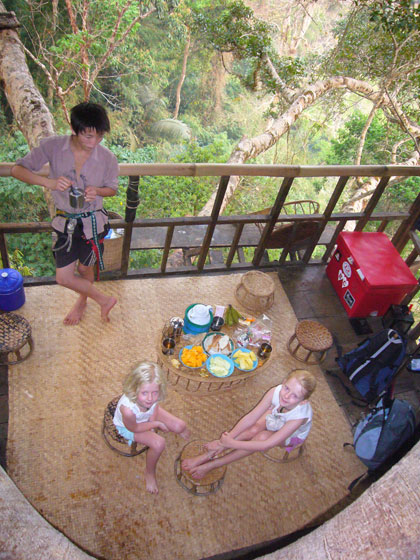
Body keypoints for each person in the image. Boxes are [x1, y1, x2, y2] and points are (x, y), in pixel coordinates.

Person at [11, 102, 119, 325]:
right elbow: (17, 169)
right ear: (74, 129)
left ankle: (83, 300)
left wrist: (97, 191)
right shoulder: (53, 146)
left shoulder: (108, 158)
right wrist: (48, 182)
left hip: (93, 222)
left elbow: (112, 189)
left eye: (99, 136)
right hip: (65, 223)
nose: (94, 142)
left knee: (85, 267)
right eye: (88, 136)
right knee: (63, 276)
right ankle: (103, 299)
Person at [182, 368, 316, 480]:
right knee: (253, 428)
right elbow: (251, 417)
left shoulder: (298, 417)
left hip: (291, 436)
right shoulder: (276, 391)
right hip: (277, 416)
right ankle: (208, 455)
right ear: (283, 382)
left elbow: (266, 445)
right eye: (286, 388)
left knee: (262, 437)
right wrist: (225, 441)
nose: (286, 396)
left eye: (295, 396)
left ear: (303, 401)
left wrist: (232, 444)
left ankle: (214, 464)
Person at [113, 361, 190, 494]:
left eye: (154, 393)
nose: (150, 398)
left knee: (180, 426)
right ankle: (149, 472)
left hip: (146, 415)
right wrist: (155, 425)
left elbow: (154, 407)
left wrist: (152, 422)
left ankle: (165, 427)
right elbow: (134, 428)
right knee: (159, 443)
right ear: (134, 388)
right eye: (144, 393)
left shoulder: (154, 396)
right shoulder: (128, 410)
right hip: (130, 426)